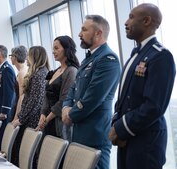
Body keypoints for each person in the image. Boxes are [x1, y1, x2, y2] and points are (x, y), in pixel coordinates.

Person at [109, 3, 176, 169]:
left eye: (131, 17)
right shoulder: (137, 54)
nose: (126, 22)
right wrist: (117, 126)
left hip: (145, 142)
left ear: (146, 21)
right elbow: (124, 98)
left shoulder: (161, 56)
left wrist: (121, 128)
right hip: (128, 139)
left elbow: (154, 106)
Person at [62, 15, 121, 169]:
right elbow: (73, 88)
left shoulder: (108, 59)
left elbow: (93, 98)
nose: (79, 34)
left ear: (98, 33)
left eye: (84, 29)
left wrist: (71, 114)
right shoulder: (89, 59)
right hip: (79, 131)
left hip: (95, 132)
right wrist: (65, 107)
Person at [12, 46, 50, 167]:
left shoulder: (40, 74)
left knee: (30, 154)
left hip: (32, 120)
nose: (26, 58)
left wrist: (21, 118)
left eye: (29, 55)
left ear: (34, 57)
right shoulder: (37, 72)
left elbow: (35, 101)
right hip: (29, 118)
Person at [36, 35, 79, 141]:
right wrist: (42, 114)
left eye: (56, 48)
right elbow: (46, 95)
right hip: (48, 120)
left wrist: (47, 119)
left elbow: (64, 99)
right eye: (53, 49)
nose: (53, 51)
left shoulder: (71, 71)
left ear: (66, 49)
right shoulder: (56, 70)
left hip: (59, 121)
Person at [0, 45, 16, 151]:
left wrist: (5, 110)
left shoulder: (7, 69)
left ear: (0, 55)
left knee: (3, 137)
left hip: (3, 110)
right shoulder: (1, 69)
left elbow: (9, 91)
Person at [10, 45, 28, 122]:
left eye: (11, 56)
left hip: (21, 108)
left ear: (15, 57)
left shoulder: (21, 73)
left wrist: (17, 116)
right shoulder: (22, 70)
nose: (10, 58)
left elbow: (22, 96)